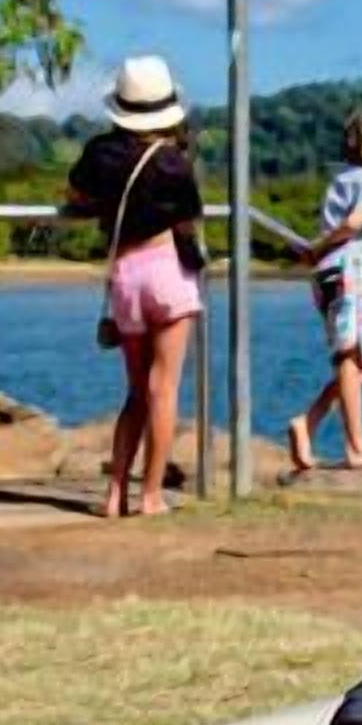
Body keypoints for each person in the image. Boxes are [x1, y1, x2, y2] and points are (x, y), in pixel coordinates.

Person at [66, 55, 206, 518]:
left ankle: (114, 495)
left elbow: (77, 197)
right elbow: (189, 218)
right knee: (163, 389)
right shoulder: (174, 163)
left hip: (126, 273)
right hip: (167, 269)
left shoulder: (99, 154)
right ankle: (151, 496)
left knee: (134, 392)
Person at [287, 106, 362, 474]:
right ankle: (356, 445)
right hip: (348, 275)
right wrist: (321, 246)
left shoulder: (344, 181)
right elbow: (355, 226)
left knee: (361, 365)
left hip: (336, 276)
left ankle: (307, 423)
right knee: (350, 357)